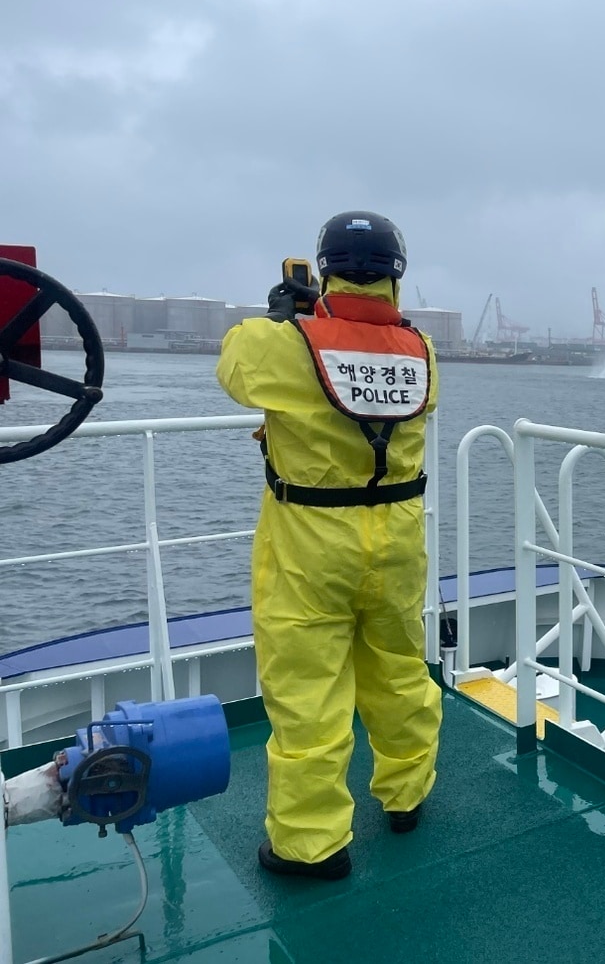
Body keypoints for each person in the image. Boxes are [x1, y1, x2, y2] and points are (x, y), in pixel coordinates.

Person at [217, 211, 443, 880]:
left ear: (325, 268)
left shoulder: (283, 343)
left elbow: (234, 367)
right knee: (400, 671)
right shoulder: (421, 351)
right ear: (397, 275)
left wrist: (287, 314)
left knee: (309, 695)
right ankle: (406, 796)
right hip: (397, 541)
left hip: (312, 549)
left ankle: (310, 844)